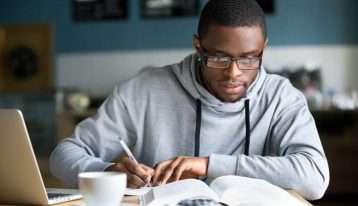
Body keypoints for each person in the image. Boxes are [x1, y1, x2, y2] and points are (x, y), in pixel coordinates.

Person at [50, 0, 329, 200]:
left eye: (248, 58)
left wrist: (207, 164)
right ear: (198, 46)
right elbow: (64, 154)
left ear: (263, 49)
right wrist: (107, 171)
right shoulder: (144, 89)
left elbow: (315, 178)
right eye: (219, 57)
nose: (233, 73)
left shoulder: (281, 96)